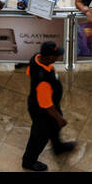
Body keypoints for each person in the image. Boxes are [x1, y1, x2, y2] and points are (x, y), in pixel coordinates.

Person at [22, 41, 74, 171]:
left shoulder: (36, 58)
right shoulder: (43, 80)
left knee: (53, 127)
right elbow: (47, 106)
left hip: (48, 105)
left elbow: (29, 72)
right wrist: (59, 118)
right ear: (49, 57)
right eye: (56, 55)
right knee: (39, 137)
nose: (58, 57)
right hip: (42, 112)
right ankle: (29, 162)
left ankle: (58, 147)